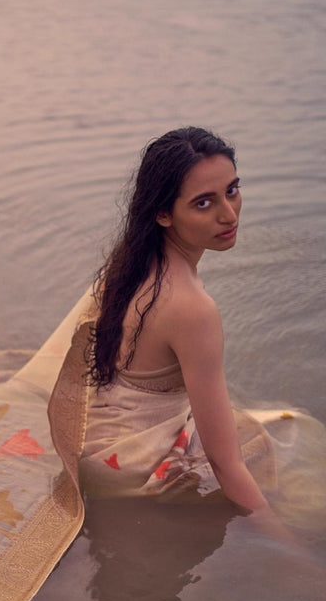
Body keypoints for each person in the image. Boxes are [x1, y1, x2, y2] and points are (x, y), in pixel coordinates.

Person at [46, 127, 278, 512]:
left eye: (232, 190)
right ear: (164, 214)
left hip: (98, 442)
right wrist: (288, 555)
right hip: (135, 471)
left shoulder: (132, 262)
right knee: (285, 442)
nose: (228, 213)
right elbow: (226, 463)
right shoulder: (193, 308)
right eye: (204, 203)